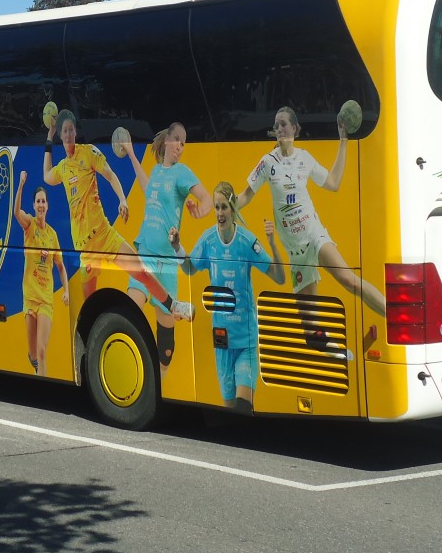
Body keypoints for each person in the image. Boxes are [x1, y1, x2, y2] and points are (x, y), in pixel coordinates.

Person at [236, 107, 386, 350]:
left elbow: (334, 183)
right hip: (296, 252)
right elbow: (244, 196)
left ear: (295, 129)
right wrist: (227, 204)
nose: (280, 128)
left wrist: (343, 141)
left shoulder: (304, 158)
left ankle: (395, 316)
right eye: (277, 125)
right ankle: (342, 355)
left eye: (284, 124)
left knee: (349, 280)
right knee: (311, 334)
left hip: (314, 235)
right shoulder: (267, 163)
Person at [44, 108, 192, 320]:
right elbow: (46, 175)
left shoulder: (89, 152)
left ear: (75, 132)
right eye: (64, 131)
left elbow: (111, 176)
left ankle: (174, 305)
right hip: (85, 248)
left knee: (141, 270)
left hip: (104, 235)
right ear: (60, 135)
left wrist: (123, 200)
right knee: (90, 303)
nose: (68, 135)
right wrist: (48, 139)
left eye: (70, 130)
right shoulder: (62, 168)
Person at [172, 182, 285, 411]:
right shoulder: (208, 240)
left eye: (224, 207)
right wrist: (177, 247)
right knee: (229, 410)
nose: (220, 213)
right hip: (222, 340)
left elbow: (279, 277)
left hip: (246, 341)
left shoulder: (246, 242)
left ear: (233, 209)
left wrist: (273, 244)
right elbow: (189, 269)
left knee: (243, 407)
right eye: (216, 207)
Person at [124, 122, 212, 376]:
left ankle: (157, 387)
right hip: (146, 256)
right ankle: (132, 370)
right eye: (177, 140)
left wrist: (199, 211)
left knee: (166, 347)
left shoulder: (181, 172)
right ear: (166, 142)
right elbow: (147, 187)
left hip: (167, 263)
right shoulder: (156, 172)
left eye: (183, 143)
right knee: (130, 310)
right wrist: (130, 153)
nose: (180, 147)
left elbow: (205, 198)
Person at [15, 171, 69, 376]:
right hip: (30, 298)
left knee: (42, 350)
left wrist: (65, 290)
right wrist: (21, 185)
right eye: (37, 201)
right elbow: (16, 212)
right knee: (33, 353)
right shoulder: (29, 225)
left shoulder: (53, 235)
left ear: (47, 206)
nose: (40, 204)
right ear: (34, 205)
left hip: (46, 300)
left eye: (43, 201)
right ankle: (34, 363)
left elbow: (61, 267)